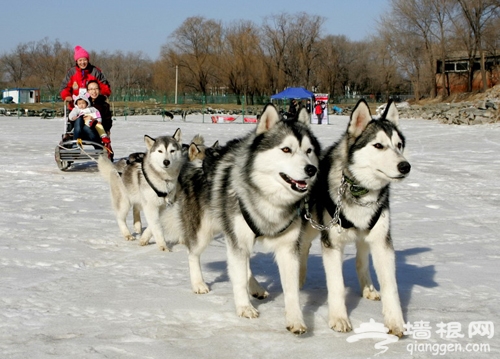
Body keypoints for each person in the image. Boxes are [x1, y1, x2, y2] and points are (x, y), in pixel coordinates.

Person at [59, 45, 111, 110]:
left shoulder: (95, 71)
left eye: (85, 60)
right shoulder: (71, 72)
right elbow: (64, 87)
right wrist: (66, 96)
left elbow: (105, 86)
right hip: (76, 106)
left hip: (93, 106)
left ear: (88, 60)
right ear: (77, 61)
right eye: (80, 60)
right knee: (76, 120)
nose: (82, 63)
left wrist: (102, 96)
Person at [69, 92, 113, 159]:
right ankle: (76, 143)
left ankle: (98, 147)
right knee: (79, 119)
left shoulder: (91, 109)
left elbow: (98, 115)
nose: (81, 105)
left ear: (87, 103)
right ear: (77, 104)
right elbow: (71, 115)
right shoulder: (76, 110)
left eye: (83, 103)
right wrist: (74, 117)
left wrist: (95, 119)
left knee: (87, 128)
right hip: (79, 129)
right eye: (79, 104)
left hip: (90, 127)